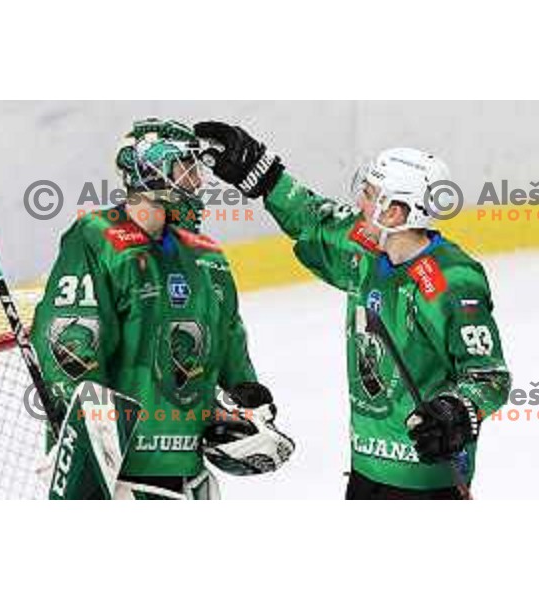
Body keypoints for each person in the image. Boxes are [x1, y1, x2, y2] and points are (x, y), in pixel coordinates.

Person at [194, 121, 511, 500]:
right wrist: (263, 173)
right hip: (364, 471)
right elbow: (313, 218)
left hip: (426, 483)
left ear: (394, 212)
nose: (361, 202)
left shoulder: (451, 281)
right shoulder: (364, 250)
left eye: (370, 194)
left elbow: (489, 376)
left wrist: (457, 410)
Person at [30, 118, 293, 500]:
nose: (198, 183)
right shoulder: (95, 239)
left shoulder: (207, 257)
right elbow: (70, 344)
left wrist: (245, 402)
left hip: (191, 477)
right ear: (150, 169)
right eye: (186, 168)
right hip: (123, 479)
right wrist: (84, 438)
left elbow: (227, 342)